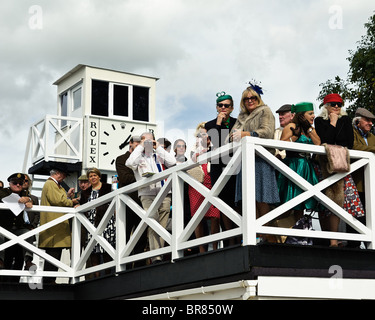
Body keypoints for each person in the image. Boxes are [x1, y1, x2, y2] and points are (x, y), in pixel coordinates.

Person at [315, 94, 364, 247]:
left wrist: (335, 128)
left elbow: (348, 143)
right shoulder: (319, 121)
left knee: (351, 202)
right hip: (325, 167)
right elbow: (325, 140)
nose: (336, 107)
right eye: (333, 104)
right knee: (327, 204)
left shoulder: (346, 120)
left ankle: (355, 242)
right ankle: (331, 241)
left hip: (342, 166)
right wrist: (333, 123)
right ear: (326, 106)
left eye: (339, 104)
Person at [230, 83, 280, 228]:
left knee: (262, 198)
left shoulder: (265, 111)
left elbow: (267, 132)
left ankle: (266, 234)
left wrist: (246, 134)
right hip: (245, 161)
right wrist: (235, 136)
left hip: (261, 159)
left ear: (258, 98)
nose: (250, 100)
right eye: (246, 99)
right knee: (249, 199)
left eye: (253, 98)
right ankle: (255, 233)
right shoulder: (242, 116)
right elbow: (231, 137)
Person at [126, 132, 176, 263]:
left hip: (164, 192)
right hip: (147, 193)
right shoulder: (137, 156)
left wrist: (158, 146)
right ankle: (156, 256)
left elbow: (172, 162)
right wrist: (140, 146)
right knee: (153, 221)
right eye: (145, 140)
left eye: (151, 140)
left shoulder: (159, 154)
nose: (149, 143)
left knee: (163, 224)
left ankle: (161, 252)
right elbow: (130, 163)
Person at [277, 102, 321, 222]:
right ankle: (267, 226)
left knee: (302, 204)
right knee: (289, 202)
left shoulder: (310, 129)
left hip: (306, 166)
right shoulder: (290, 125)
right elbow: (280, 146)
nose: (313, 116)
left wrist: (308, 127)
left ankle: (299, 237)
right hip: (293, 165)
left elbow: (318, 143)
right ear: (302, 115)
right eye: (310, 113)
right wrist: (295, 137)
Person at [204, 92, 237, 246]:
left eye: (226, 105)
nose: (223, 108)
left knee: (235, 201)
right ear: (216, 107)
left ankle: (238, 238)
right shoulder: (210, 124)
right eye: (220, 105)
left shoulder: (237, 123)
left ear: (232, 107)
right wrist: (218, 123)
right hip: (218, 167)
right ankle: (229, 240)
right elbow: (216, 143)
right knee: (222, 202)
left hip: (235, 166)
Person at [38, 164, 79, 284]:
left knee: (55, 253)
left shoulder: (54, 185)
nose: (65, 177)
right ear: (59, 173)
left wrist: (67, 196)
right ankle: (48, 280)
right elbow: (58, 201)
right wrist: (72, 201)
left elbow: (58, 199)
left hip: (56, 226)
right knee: (53, 254)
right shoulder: (50, 184)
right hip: (54, 227)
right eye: (64, 175)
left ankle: (50, 279)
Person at [115, 135, 147, 267]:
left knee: (142, 235)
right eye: (138, 142)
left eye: (142, 143)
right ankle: (124, 266)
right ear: (131, 143)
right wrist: (143, 176)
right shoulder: (121, 159)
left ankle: (139, 265)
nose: (140, 145)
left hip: (143, 200)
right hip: (127, 202)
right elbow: (124, 178)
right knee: (125, 235)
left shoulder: (146, 158)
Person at [189, 123, 220, 252]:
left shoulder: (215, 147)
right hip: (196, 183)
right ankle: (202, 249)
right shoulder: (194, 149)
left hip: (210, 180)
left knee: (215, 215)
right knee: (198, 216)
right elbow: (191, 162)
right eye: (201, 134)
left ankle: (214, 247)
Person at [79, 168, 114, 277]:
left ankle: (108, 275)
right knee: (94, 251)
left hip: (106, 222)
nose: (93, 177)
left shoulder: (108, 187)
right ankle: (97, 277)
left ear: (99, 176)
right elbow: (82, 205)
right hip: (91, 224)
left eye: (95, 175)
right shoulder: (85, 192)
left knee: (107, 250)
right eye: (90, 176)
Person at [0, 173, 34, 273]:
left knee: (29, 234)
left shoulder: (25, 193)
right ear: (10, 184)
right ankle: (0, 259)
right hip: (4, 228)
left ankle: (28, 261)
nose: (18, 185)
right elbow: (4, 197)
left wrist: (29, 199)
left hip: (18, 229)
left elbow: (32, 200)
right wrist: (23, 200)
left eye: (20, 183)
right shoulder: (3, 191)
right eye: (15, 183)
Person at [351, 107, 375, 247]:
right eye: (367, 120)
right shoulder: (352, 133)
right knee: (354, 216)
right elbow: (353, 147)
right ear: (358, 121)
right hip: (356, 182)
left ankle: (370, 245)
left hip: (371, 183)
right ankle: (354, 246)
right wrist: (372, 150)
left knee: (370, 217)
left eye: (371, 121)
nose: (370, 123)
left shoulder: (372, 137)